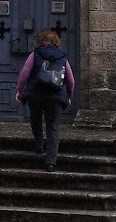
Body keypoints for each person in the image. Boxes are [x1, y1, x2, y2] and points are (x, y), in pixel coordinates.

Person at [15, 29, 75, 170]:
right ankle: (50, 162)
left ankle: (39, 144)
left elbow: (24, 73)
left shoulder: (34, 55)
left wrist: (19, 90)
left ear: (40, 41)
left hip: (35, 95)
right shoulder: (62, 58)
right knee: (53, 128)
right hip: (55, 97)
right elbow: (71, 81)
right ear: (56, 43)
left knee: (35, 120)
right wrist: (68, 95)